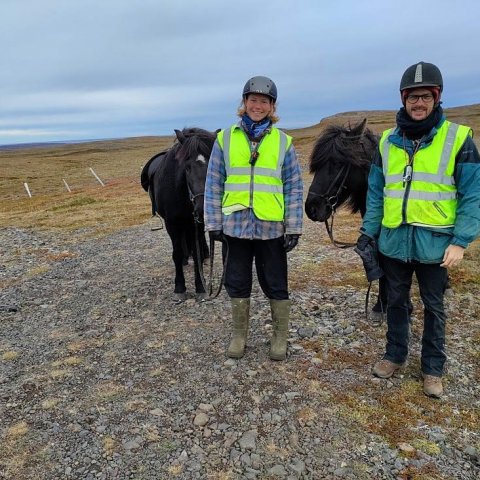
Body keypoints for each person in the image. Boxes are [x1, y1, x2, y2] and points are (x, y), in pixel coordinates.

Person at [356, 61, 480, 398]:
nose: (419, 103)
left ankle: (432, 368)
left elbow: (472, 194)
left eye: (426, 96)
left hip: (436, 244)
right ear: (403, 99)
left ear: (437, 98)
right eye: (413, 97)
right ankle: (394, 355)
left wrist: (461, 241)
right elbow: (376, 192)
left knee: (434, 306)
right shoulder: (387, 143)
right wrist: (369, 232)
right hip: (394, 240)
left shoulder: (459, 139)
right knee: (396, 302)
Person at [204, 75, 303, 361]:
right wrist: (213, 223)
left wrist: (293, 226)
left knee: (275, 281)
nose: (258, 106)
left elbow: (293, 186)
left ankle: (280, 337)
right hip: (234, 225)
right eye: (253, 100)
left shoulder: (283, 142)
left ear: (272, 107)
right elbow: (213, 183)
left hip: (271, 227)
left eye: (264, 101)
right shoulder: (224, 139)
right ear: (244, 103)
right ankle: (239, 335)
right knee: (236, 280)